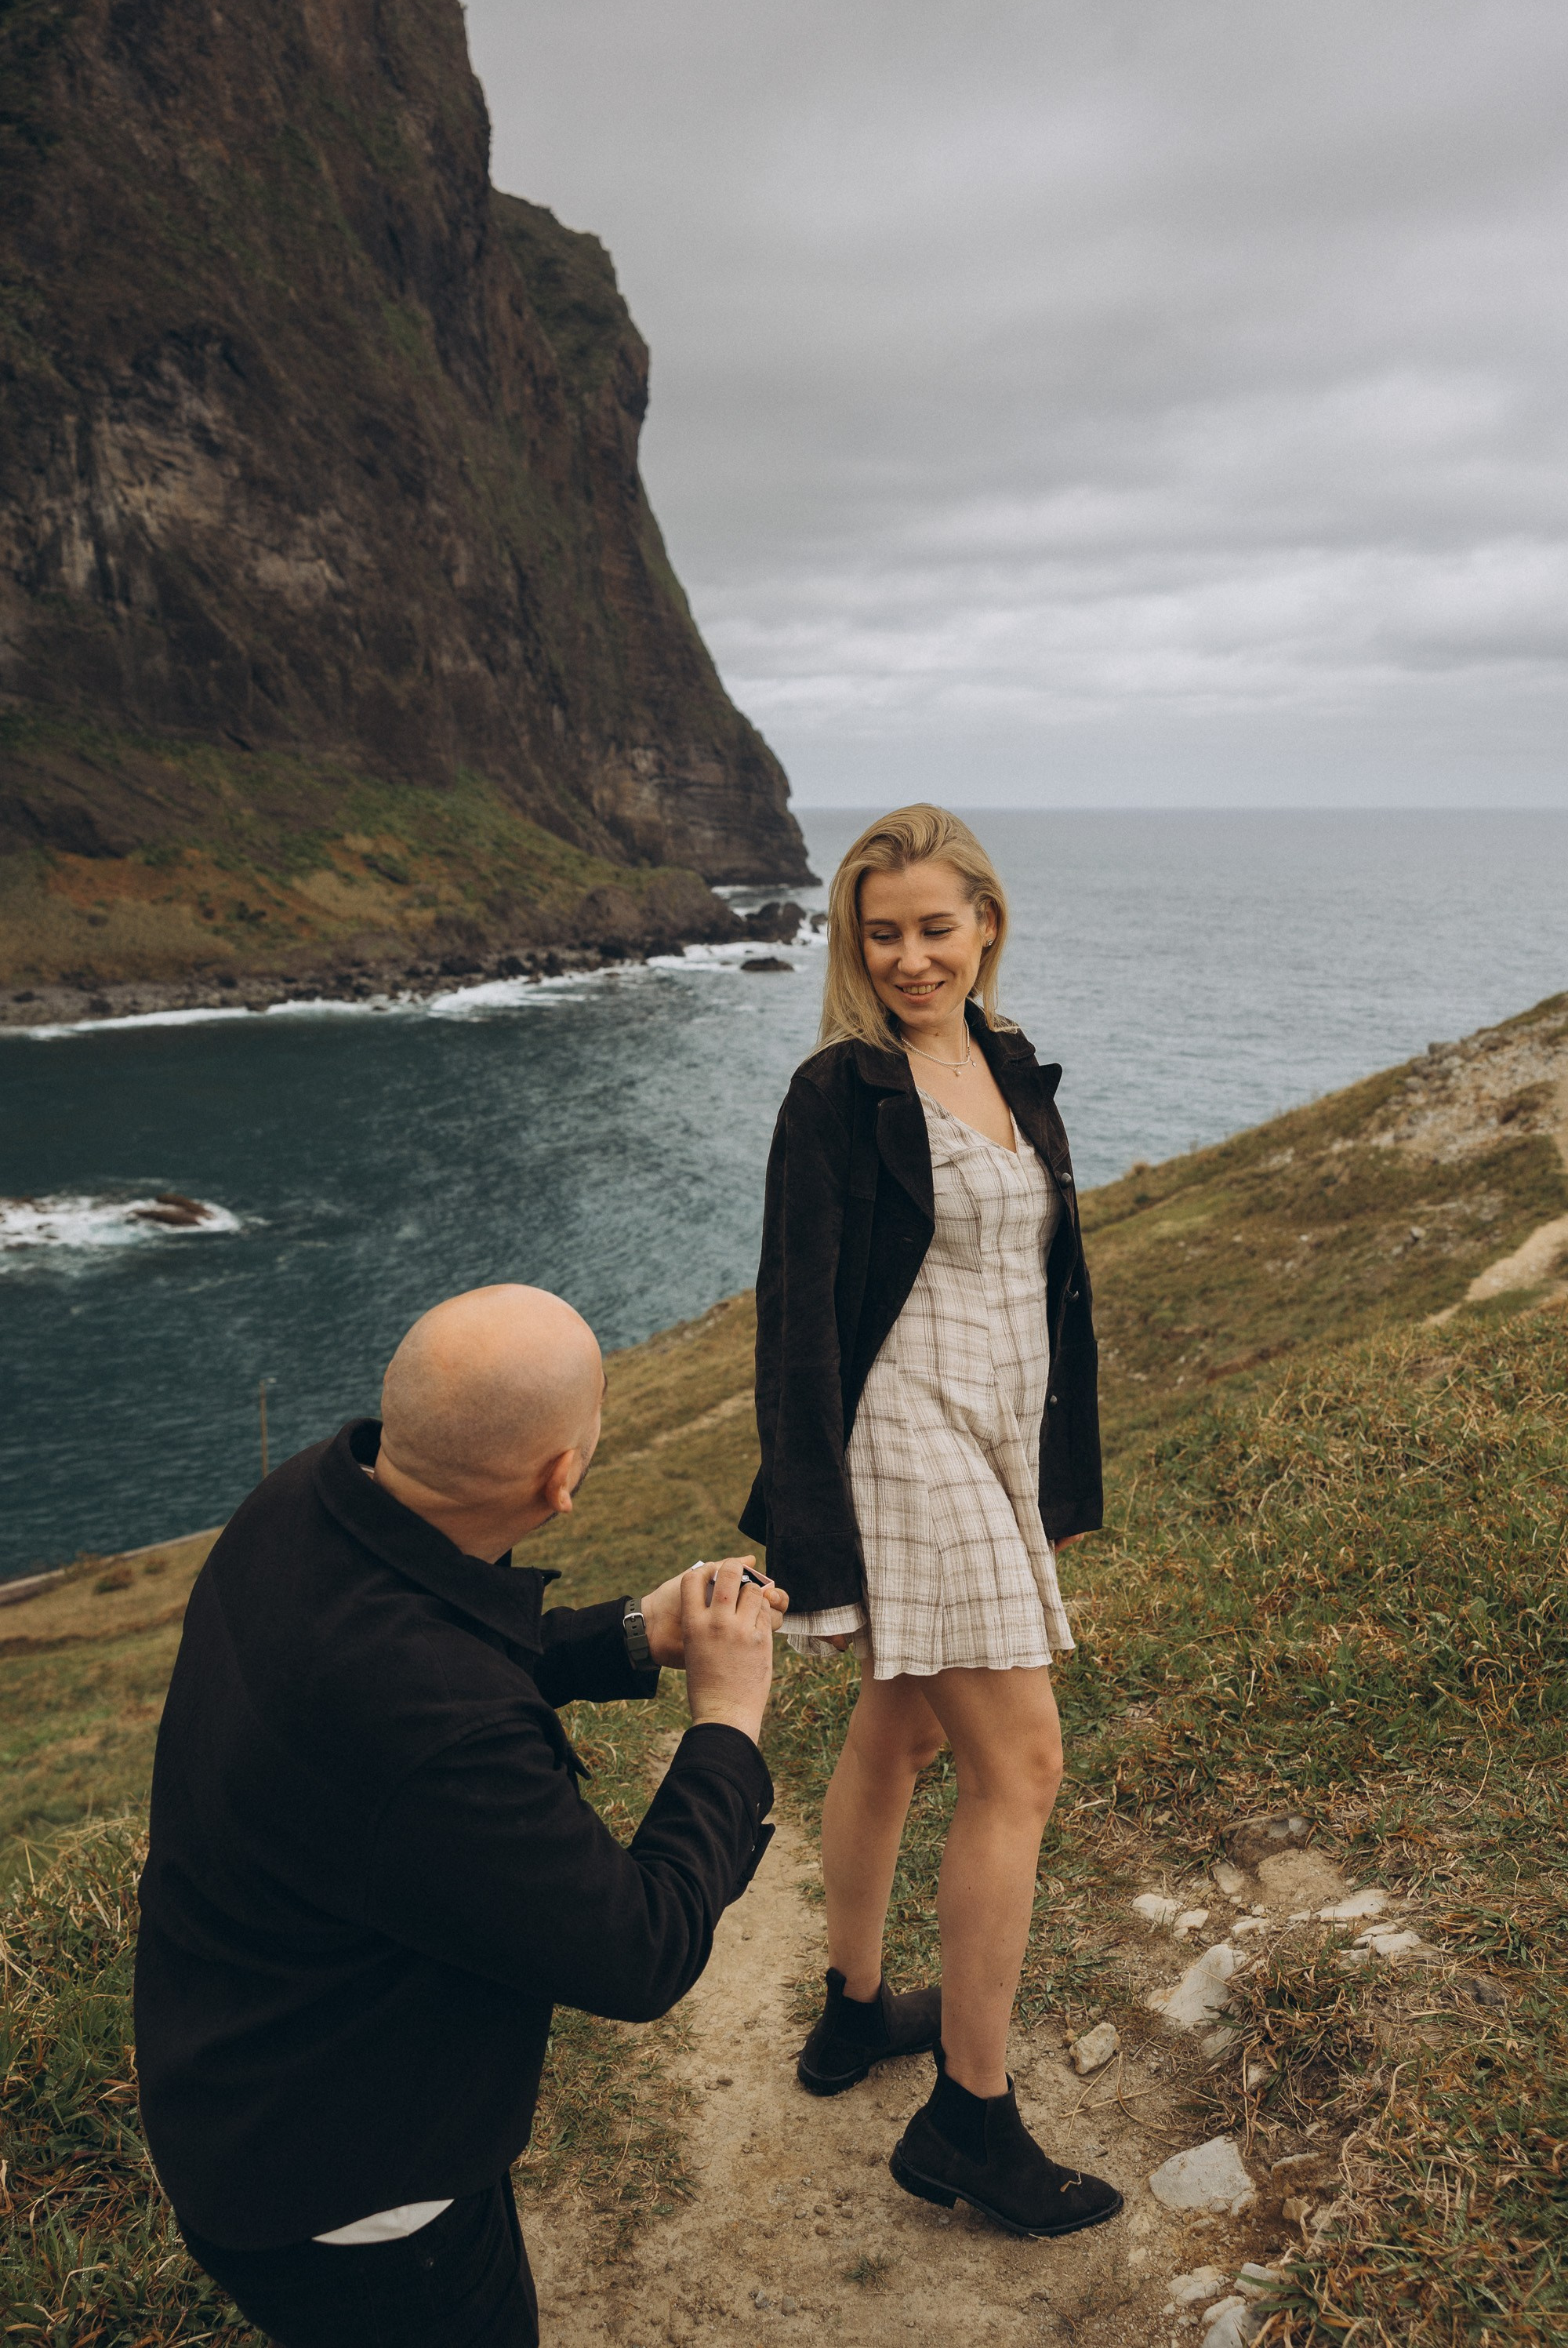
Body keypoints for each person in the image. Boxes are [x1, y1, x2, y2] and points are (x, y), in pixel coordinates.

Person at [135, 1283, 784, 2348]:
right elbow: (640, 1948)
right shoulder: (441, 1729)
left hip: (234, 2077)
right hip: (357, 2203)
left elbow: (439, 1651)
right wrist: (728, 1721)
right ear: (561, 1478)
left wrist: (629, 1632)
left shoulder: (299, 1503)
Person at [740, 805, 1122, 2240]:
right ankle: (971, 2116)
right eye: (882, 932)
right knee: (1020, 1765)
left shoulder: (1010, 1065)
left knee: (899, 1732)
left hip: (999, 1441)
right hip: (904, 1445)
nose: (910, 957)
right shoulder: (838, 1094)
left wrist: (1055, 1486)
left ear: (986, 925)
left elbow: (1050, 1292)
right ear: (855, 941)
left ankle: (853, 2009)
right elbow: (796, 1327)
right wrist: (812, 1541)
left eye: (935, 928)